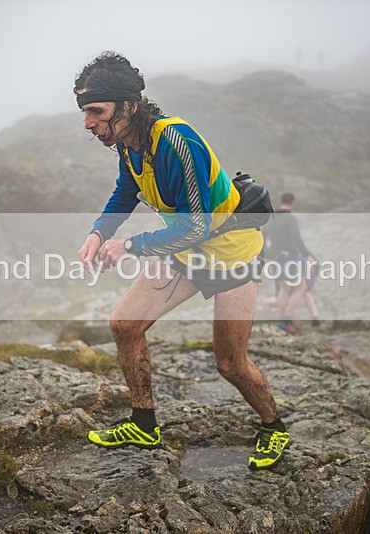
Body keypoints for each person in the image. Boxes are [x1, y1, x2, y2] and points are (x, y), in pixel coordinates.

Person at [74, 52, 290, 470]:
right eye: (84, 112)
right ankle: (143, 423)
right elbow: (125, 192)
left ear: (128, 106)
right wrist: (99, 232)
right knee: (124, 325)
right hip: (185, 254)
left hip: (232, 255)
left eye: (96, 111)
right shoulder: (128, 144)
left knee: (230, 363)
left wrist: (130, 247)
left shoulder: (176, 140)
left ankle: (274, 427)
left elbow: (197, 227)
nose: (88, 123)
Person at [265, 193, 319, 334]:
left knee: (283, 287)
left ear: (281, 201)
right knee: (302, 286)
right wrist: (307, 255)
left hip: (275, 258)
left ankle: (282, 320)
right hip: (288, 258)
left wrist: (264, 254)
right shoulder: (291, 219)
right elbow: (297, 240)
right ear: (292, 203)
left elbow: (262, 235)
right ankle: (287, 320)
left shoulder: (271, 218)